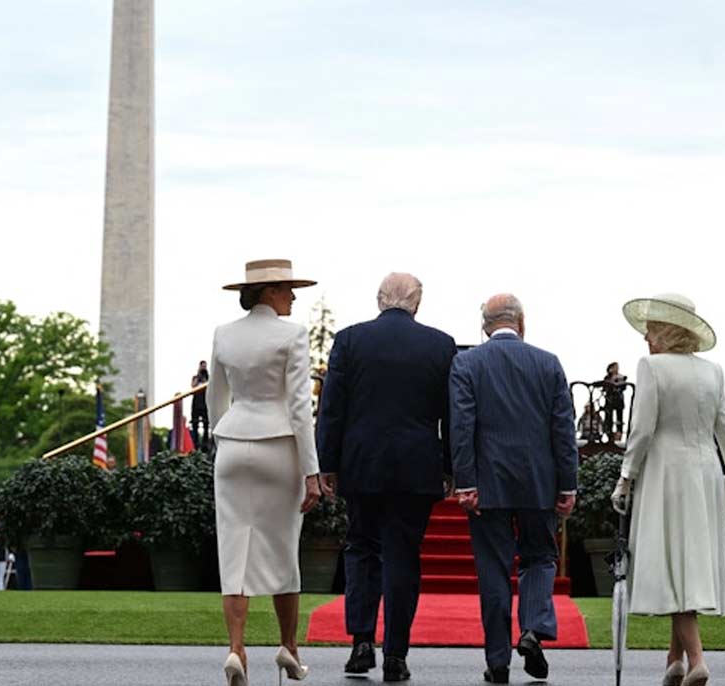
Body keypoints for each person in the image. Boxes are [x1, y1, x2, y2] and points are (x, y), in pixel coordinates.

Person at [316, 273, 457, 682]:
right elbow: (451, 415)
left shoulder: (349, 340)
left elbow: (332, 410)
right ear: (417, 302)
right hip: (416, 465)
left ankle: (361, 640)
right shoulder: (440, 345)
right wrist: (450, 466)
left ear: (380, 300)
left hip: (362, 463)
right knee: (403, 557)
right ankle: (396, 653)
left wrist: (328, 463)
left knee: (361, 548)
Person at [609, 293, 725, 686]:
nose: (645, 337)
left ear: (666, 332)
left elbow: (642, 430)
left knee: (673, 567)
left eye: (650, 329)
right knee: (687, 563)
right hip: (705, 475)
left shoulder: (652, 368)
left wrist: (626, 477)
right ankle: (675, 660)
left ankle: (698, 660)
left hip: (666, 475)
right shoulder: (713, 371)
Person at [450, 294, 578, 684]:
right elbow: (563, 429)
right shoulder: (548, 363)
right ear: (521, 322)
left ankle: (498, 661)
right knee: (540, 558)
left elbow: (461, 427)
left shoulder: (466, 363)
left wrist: (465, 482)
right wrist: (568, 483)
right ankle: (534, 627)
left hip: (488, 484)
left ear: (485, 326)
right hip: (539, 482)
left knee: (493, 570)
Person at [208, 259, 323, 686]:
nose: (292, 296)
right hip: (279, 447)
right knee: (282, 550)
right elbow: (299, 407)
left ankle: (236, 649)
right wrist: (311, 471)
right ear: (269, 292)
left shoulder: (224, 334)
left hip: (234, 444)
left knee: (233, 553)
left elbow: (215, 399)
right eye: (287, 289)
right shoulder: (292, 334)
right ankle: (288, 648)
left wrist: (223, 441)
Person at [601, 362, 628, 442]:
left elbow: (624, 387)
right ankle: (609, 433)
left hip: (618, 400)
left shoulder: (621, 377)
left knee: (619, 417)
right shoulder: (607, 378)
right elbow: (604, 387)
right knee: (609, 417)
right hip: (609, 400)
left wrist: (619, 383)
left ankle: (619, 433)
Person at [192, 361, 210, 450]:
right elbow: (193, 386)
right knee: (195, 424)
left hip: (205, 402)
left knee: (206, 424)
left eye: (204, 366)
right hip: (196, 402)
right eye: (202, 366)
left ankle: (205, 444)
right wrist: (199, 375)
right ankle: (195, 444)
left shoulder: (208, 377)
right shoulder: (196, 377)